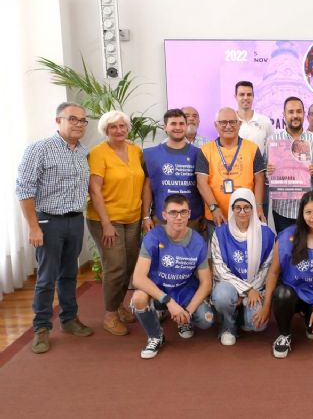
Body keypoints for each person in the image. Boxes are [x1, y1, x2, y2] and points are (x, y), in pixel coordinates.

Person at [16, 102, 93, 354]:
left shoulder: (83, 152)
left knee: (69, 273)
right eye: (73, 119)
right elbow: (24, 190)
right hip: (48, 221)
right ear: (58, 120)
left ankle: (69, 319)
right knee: (47, 277)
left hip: (74, 220)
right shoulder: (39, 149)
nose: (78, 124)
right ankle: (41, 328)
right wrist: (33, 227)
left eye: (82, 121)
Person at [254, 191, 313, 359]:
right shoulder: (287, 236)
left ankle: (308, 313)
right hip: (292, 292)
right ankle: (284, 335)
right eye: (308, 212)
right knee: (282, 294)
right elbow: (273, 273)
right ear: (302, 215)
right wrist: (266, 306)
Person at [130, 194, 214, 359]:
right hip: (160, 292)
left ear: (189, 213)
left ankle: (183, 319)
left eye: (183, 212)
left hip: (185, 291)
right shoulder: (153, 237)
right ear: (164, 215)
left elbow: (206, 283)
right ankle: (155, 335)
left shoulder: (198, 241)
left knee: (206, 320)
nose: (179, 217)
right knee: (138, 298)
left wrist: (188, 312)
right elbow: (138, 278)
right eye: (173, 212)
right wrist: (169, 302)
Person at [86, 110, 145, 336]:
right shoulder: (98, 153)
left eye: (122, 126)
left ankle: (119, 305)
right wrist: (106, 223)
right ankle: (110, 315)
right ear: (105, 130)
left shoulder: (135, 150)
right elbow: (95, 190)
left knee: (129, 265)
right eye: (113, 127)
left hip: (132, 217)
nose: (119, 130)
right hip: (105, 219)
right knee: (115, 267)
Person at [210, 188, 276, 346]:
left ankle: (242, 315)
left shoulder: (266, 234)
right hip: (230, 286)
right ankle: (229, 325)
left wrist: (251, 291)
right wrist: (246, 290)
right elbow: (220, 270)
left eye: (247, 207)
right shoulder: (220, 233)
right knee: (222, 297)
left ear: (253, 208)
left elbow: (267, 269)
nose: (242, 212)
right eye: (237, 207)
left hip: (256, 288)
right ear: (232, 209)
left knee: (257, 325)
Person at [196, 107, 267, 230]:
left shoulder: (252, 148)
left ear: (239, 124)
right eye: (223, 122)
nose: (228, 126)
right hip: (216, 216)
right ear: (216, 125)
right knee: (219, 249)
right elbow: (201, 183)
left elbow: (260, 179)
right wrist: (214, 208)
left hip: (246, 214)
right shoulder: (206, 150)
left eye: (232, 122)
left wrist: (259, 206)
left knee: (247, 249)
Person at [267, 97, 313, 233]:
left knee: (309, 251)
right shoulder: (273, 141)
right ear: (284, 115)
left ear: (304, 114)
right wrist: (269, 173)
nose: (295, 115)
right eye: (291, 112)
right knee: (286, 251)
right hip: (282, 210)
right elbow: (266, 178)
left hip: (310, 210)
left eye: (298, 111)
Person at [143, 109, 204, 234]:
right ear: (165, 127)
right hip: (161, 220)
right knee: (162, 254)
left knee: (191, 253)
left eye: (181, 124)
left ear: (186, 126)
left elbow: (203, 185)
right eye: (173, 124)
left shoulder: (199, 154)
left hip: (192, 221)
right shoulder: (150, 154)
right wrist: (145, 216)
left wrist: (205, 215)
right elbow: (147, 187)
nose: (178, 127)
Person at [236, 81, 275, 155]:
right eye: (242, 94)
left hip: (259, 166)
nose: (245, 97)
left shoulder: (265, 121)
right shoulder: (229, 123)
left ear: (253, 96)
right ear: (235, 97)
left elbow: (272, 152)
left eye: (249, 94)